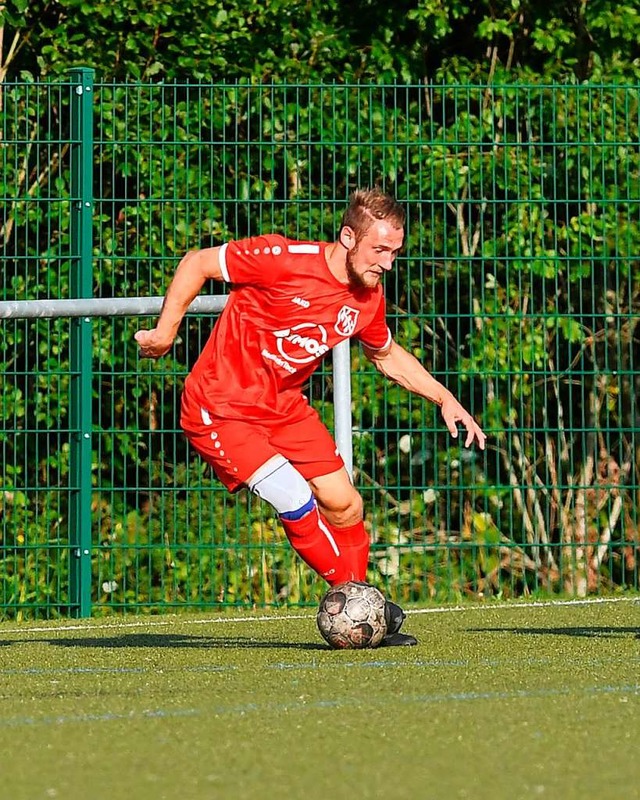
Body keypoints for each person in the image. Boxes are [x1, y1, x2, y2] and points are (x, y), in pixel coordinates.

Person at [135, 188, 486, 647]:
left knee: (345, 503)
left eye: (395, 253)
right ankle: (364, 605)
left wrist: (444, 398)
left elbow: (386, 355)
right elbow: (197, 262)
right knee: (296, 498)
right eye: (379, 250)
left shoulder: (368, 298)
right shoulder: (282, 258)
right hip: (220, 407)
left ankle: (363, 615)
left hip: (284, 406)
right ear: (348, 237)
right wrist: (166, 332)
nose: (387, 263)